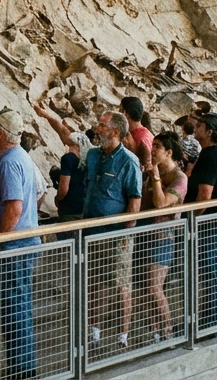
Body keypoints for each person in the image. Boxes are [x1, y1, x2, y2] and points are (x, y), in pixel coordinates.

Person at [0, 109, 42, 377]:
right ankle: (22, 366)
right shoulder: (20, 157)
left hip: (15, 244)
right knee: (18, 304)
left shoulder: (8, 163)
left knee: (14, 306)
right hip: (26, 239)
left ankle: (22, 370)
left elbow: (14, 208)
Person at [82, 109, 142, 350]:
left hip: (117, 233)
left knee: (120, 283)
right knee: (95, 282)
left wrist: (126, 233)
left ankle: (123, 335)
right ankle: (94, 331)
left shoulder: (129, 161)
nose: (98, 129)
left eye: (103, 126)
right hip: (93, 230)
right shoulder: (94, 156)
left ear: (116, 132)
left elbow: (134, 201)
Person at [186, 113, 217, 330]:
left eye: (200, 125)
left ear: (210, 131)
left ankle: (214, 324)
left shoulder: (211, 155)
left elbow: (205, 194)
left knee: (212, 271)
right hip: (214, 220)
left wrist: (192, 220)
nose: (196, 128)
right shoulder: (214, 153)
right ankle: (213, 320)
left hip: (209, 223)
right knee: (212, 271)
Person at [144, 132, 186, 340]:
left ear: (169, 152)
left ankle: (168, 330)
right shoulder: (154, 172)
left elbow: (161, 203)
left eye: (157, 146)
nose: (152, 150)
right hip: (146, 234)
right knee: (147, 287)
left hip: (163, 238)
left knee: (155, 287)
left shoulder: (179, 178)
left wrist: (156, 178)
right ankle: (154, 332)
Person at [32, 103, 87, 224]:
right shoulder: (88, 156)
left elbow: (63, 188)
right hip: (84, 208)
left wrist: (58, 199)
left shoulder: (68, 158)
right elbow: (61, 129)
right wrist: (45, 115)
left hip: (70, 210)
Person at [121, 97, 153, 169]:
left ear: (126, 114)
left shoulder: (142, 138)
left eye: (120, 110)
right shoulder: (134, 133)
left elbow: (145, 166)